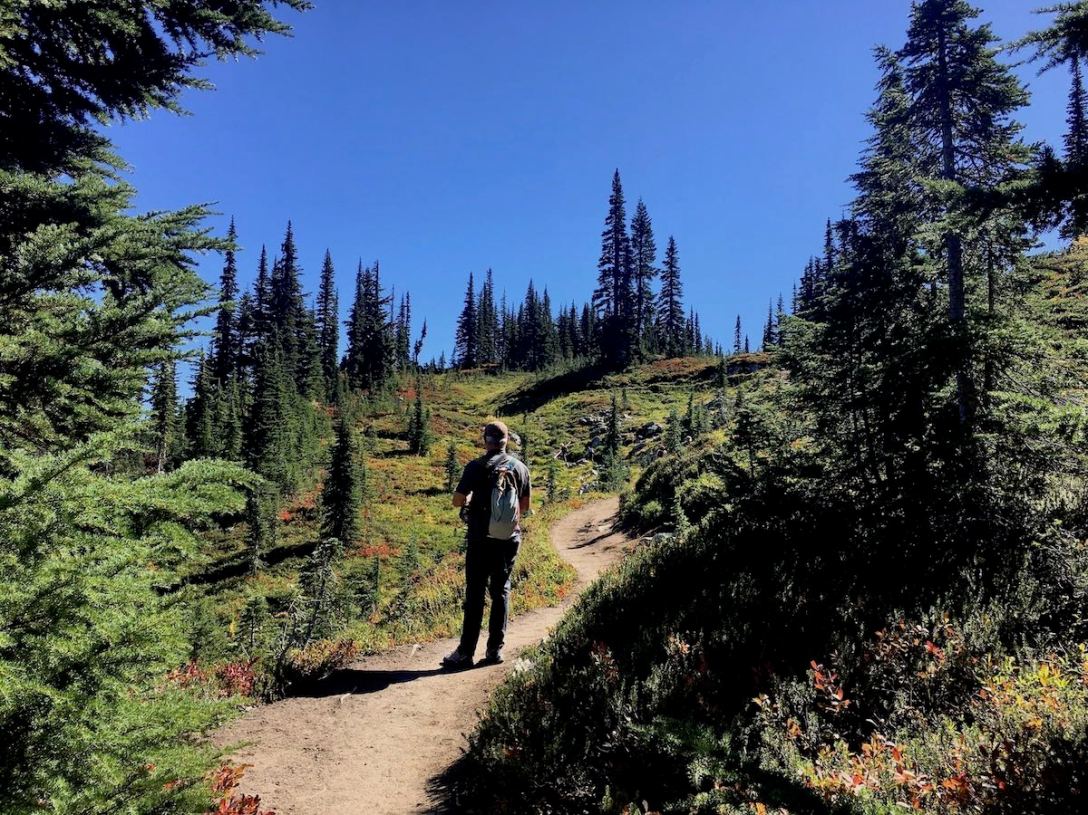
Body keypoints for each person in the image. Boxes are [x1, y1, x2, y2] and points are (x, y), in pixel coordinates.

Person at [442, 420, 531, 669]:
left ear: (486, 441)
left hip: (480, 539)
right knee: (501, 590)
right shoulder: (520, 468)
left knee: (475, 594)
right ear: (506, 442)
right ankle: (494, 651)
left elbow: (457, 501)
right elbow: (523, 507)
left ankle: (465, 652)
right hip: (508, 539)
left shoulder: (476, 466)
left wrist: (471, 498)